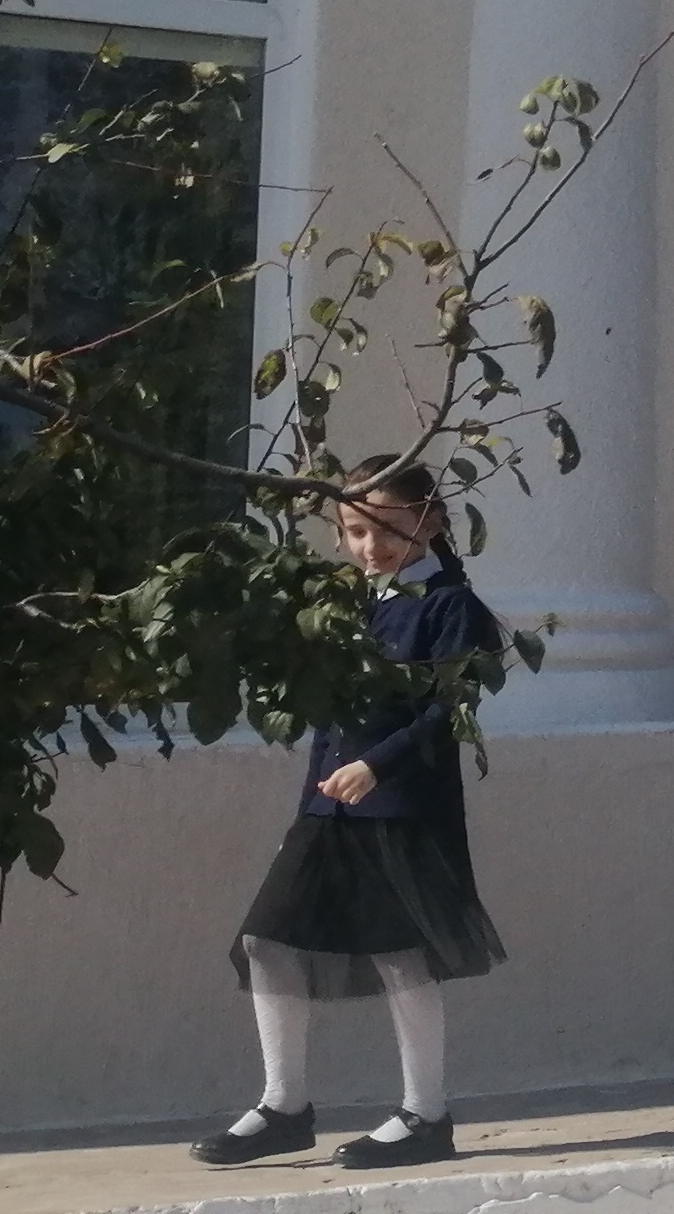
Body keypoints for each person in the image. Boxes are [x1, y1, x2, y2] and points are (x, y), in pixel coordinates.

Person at [190, 458, 509, 1170]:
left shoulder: (450, 606)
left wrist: (378, 765)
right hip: (329, 806)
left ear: (430, 520)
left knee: (402, 955)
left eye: (388, 529)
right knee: (267, 939)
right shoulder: (349, 604)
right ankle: (284, 1106)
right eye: (356, 530)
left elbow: (452, 706)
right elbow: (329, 717)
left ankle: (426, 1115)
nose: (371, 546)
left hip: (402, 806)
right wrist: (308, 803)